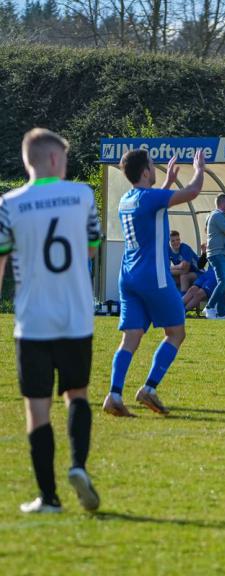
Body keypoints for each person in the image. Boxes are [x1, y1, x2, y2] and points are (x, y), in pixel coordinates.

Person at [0, 128, 101, 513]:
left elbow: (1, 261)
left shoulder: (9, 203)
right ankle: (78, 466)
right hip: (76, 316)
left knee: (37, 407)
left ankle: (49, 497)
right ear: (55, 159)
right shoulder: (83, 195)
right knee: (77, 394)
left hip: (33, 320)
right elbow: (90, 250)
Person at [103, 149, 205, 418]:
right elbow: (193, 191)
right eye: (152, 164)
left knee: (131, 338)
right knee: (176, 333)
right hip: (154, 277)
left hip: (129, 276)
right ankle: (149, 388)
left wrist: (168, 182)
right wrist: (199, 169)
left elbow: (151, 208)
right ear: (146, 171)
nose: (155, 167)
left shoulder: (127, 199)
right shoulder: (150, 198)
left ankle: (114, 394)